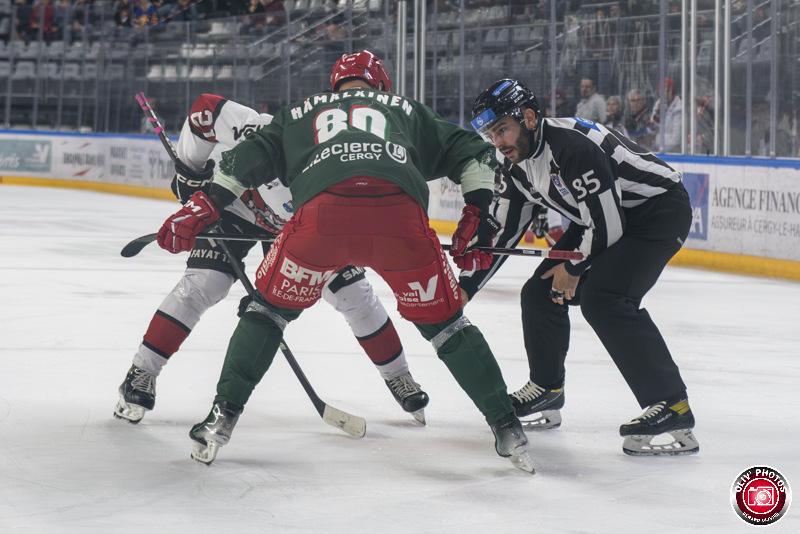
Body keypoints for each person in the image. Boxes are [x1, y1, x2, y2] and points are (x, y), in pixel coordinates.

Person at [155, 51, 535, 472]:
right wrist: (478, 215)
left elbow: (241, 159)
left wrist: (204, 205)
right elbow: (475, 153)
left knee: (267, 312)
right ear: (380, 87)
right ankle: (506, 426)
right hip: (401, 223)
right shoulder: (407, 110)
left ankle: (221, 417)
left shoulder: (300, 111)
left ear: (335, 85)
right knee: (448, 325)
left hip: (321, 222)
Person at [114, 92, 430, 426]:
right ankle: (140, 372)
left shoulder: (338, 169)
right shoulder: (256, 130)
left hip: (307, 229)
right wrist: (189, 171)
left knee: (354, 296)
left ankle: (398, 375)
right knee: (204, 284)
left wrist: (267, 298)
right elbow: (206, 109)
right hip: (234, 204)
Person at [466, 78, 699, 456]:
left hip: (657, 213)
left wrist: (574, 269)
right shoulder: (514, 164)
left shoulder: (573, 146)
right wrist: (465, 288)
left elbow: (609, 224)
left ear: (528, 117)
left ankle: (672, 404)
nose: (498, 142)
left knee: (606, 298)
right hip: (603, 216)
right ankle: (547, 389)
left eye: (502, 130)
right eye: (491, 135)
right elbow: (504, 234)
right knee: (540, 291)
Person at [650, 77, 682, 153]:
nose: (664, 94)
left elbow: (676, 140)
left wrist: (654, 139)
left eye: (667, 90)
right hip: (658, 150)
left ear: (673, 91)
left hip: (676, 154)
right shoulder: (658, 104)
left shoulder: (679, 107)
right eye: (661, 91)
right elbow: (651, 129)